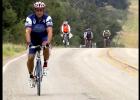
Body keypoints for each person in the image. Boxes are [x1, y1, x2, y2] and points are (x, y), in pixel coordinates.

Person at [25, 1, 53, 88]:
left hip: (43, 38)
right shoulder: (30, 18)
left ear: (43, 10)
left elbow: (50, 31)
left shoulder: (47, 18)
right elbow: (27, 31)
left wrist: (48, 42)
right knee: (30, 58)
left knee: (46, 47)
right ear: (35, 10)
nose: (39, 12)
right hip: (33, 39)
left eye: (41, 10)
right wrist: (29, 43)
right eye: (37, 10)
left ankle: (45, 64)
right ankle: (31, 75)